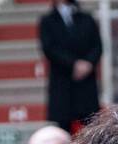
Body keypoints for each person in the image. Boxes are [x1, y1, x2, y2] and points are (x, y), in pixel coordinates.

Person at [40, 0, 103, 134]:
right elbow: (49, 48)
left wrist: (88, 63)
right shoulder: (47, 21)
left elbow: (97, 46)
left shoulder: (86, 18)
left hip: (85, 80)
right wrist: (74, 64)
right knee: (63, 126)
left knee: (90, 125)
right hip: (63, 79)